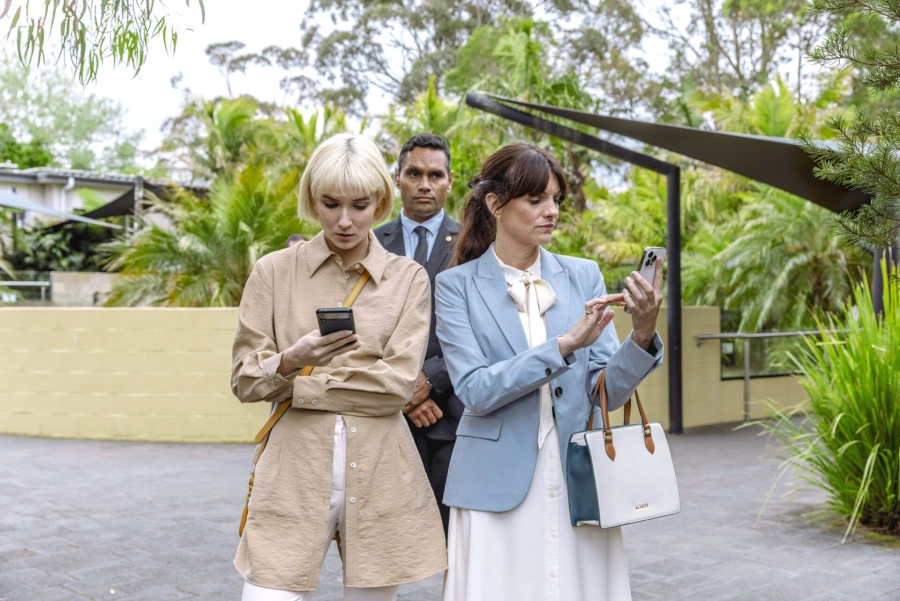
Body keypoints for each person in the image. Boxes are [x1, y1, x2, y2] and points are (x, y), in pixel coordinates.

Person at [434, 143, 665, 601]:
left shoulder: (583, 275)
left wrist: (642, 334)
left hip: (578, 472)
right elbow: (475, 390)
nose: (552, 211)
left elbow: (606, 392)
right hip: (493, 480)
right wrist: (563, 345)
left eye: (556, 199)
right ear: (495, 204)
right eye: (535, 199)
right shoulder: (455, 285)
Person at [231, 133, 447, 601]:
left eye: (360, 205)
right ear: (313, 200)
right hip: (291, 470)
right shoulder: (272, 272)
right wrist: (294, 358)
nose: (345, 220)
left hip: (382, 473)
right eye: (331, 204)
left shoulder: (408, 279)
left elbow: (396, 387)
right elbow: (245, 380)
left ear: (381, 202)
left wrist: (295, 385)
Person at [374, 133, 461, 535]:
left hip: (449, 416)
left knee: (450, 541)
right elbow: (363, 325)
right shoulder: (370, 243)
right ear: (397, 177)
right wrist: (404, 393)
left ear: (449, 180)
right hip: (384, 417)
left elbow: (482, 326)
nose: (425, 184)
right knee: (384, 539)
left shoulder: (475, 244)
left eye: (435, 175)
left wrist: (429, 380)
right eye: (414, 174)